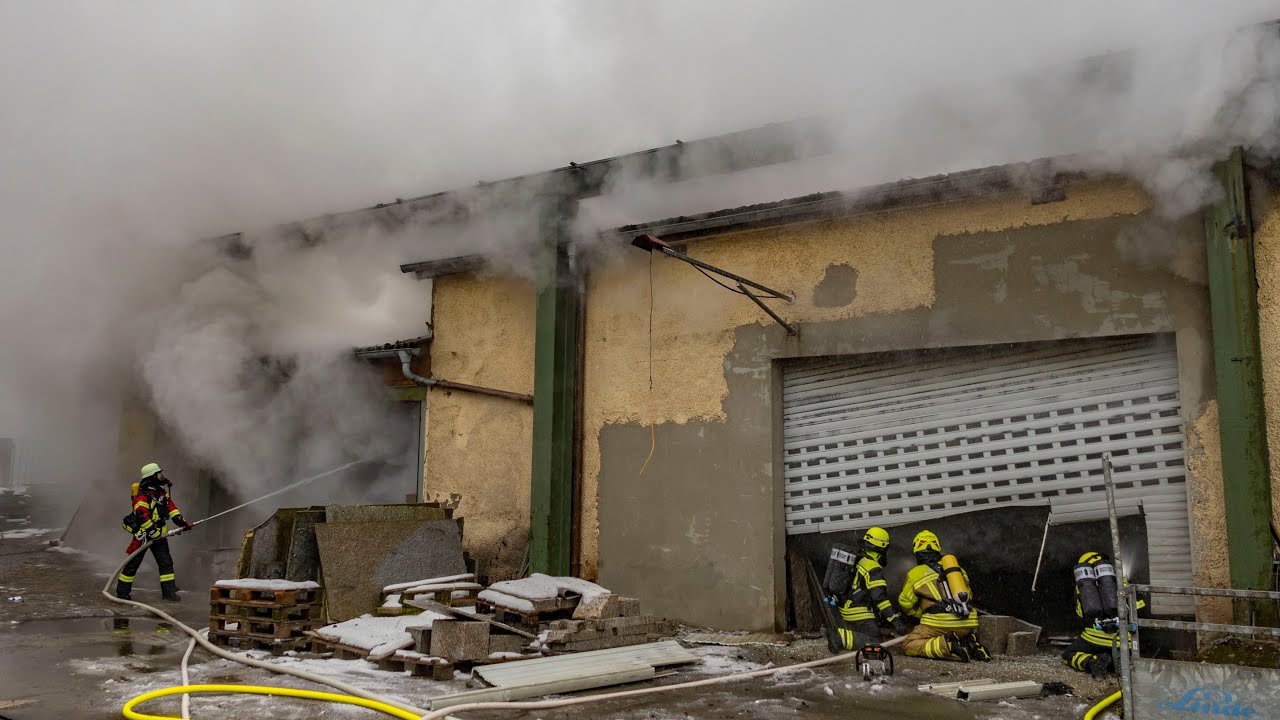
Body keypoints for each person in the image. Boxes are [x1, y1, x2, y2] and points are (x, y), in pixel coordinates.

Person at [897, 530, 991, 662]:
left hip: (939, 623)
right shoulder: (957, 570)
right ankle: (970, 642)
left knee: (909, 644)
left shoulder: (915, 573)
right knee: (957, 631)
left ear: (917, 552)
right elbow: (968, 594)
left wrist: (920, 614)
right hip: (968, 622)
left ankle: (948, 645)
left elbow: (905, 602)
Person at [116, 463, 192, 601]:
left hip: (159, 536)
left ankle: (169, 593)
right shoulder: (142, 495)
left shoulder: (161, 492)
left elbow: (171, 508)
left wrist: (181, 521)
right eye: (158, 474)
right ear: (152, 477)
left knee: (166, 563)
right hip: (144, 536)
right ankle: (122, 592)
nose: (161, 476)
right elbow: (141, 516)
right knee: (133, 564)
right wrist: (152, 532)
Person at [1061, 550, 1143, 677]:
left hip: (1094, 640)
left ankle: (1092, 661)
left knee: (1067, 655)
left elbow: (1081, 614)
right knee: (1130, 653)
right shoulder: (1121, 580)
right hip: (1124, 639)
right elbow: (1139, 607)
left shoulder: (1082, 588)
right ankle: (1120, 660)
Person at [834, 526, 908, 650]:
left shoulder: (860, 559)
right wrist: (896, 620)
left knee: (874, 629)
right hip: (858, 613)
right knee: (875, 641)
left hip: (845, 609)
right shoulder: (873, 567)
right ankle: (840, 637)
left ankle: (845, 631)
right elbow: (879, 598)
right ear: (882, 548)